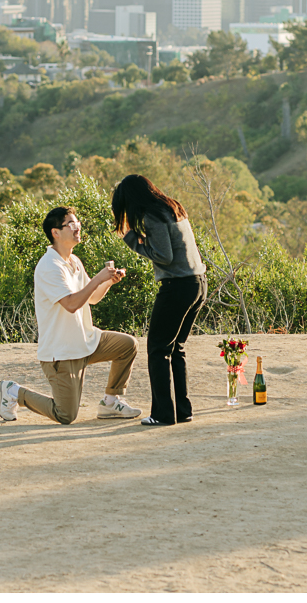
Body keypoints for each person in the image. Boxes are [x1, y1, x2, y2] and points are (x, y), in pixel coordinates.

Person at [0, 205, 142, 425]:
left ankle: (110, 403)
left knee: (127, 345)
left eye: (78, 223)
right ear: (55, 232)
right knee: (66, 414)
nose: (77, 228)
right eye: (71, 224)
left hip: (86, 341)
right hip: (62, 352)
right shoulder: (49, 266)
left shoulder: (74, 261)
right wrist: (97, 278)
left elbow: (91, 298)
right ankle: (13, 392)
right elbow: (72, 304)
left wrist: (108, 282)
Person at [112, 175, 207, 427]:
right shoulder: (172, 207)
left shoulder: (152, 216)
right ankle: (183, 411)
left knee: (157, 349)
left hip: (177, 286)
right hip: (197, 282)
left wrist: (131, 239)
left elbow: (164, 257)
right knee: (176, 349)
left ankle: (163, 414)